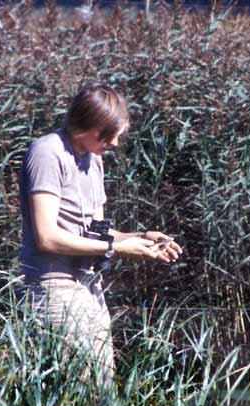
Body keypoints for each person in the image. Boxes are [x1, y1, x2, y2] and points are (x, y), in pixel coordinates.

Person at [18, 83, 182, 386]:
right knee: (73, 393)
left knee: (101, 394)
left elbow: (97, 233)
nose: (116, 143)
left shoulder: (95, 160)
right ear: (88, 125)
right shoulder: (47, 153)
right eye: (109, 134)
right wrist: (119, 249)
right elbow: (47, 237)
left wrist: (142, 238)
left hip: (90, 291)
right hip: (54, 291)